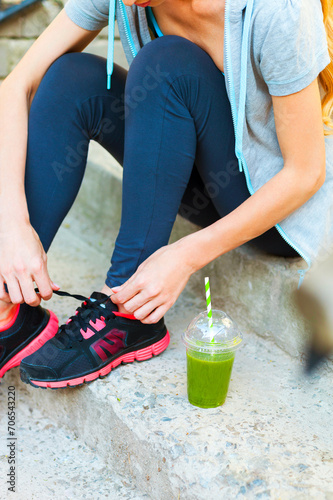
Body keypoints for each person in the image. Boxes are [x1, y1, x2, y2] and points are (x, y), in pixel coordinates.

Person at [0, 0, 332, 388]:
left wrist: (183, 255)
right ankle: (9, 301)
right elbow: (15, 87)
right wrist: (12, 225)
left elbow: (305, 174)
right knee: (70, 77)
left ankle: (129, 310)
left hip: (271, 207)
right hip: (192, 177)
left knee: (167, 62)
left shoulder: (278, 10)